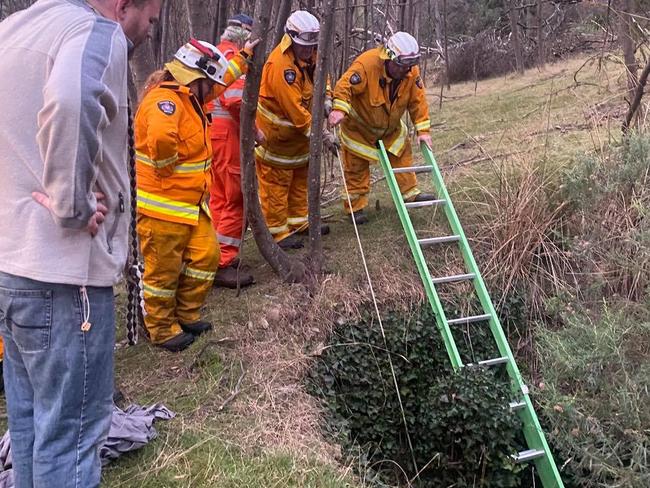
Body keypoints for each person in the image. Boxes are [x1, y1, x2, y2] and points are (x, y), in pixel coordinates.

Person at [0, 0, 162, 487]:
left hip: (12, 266)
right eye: (151, 14)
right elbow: (72, 100)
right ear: (123, 2)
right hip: (66, 280)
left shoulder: (17, 27)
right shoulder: (97, 32)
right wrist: (69, 204)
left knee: (31, 429)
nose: (152, 26)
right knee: (70, 441)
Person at [135, 37, 256, 352]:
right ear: (195, 76)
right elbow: (161, 137)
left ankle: (186, 315)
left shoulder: (190, 95)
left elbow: (220, 82)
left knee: (206, 256)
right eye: (209, 80)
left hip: (189, 204)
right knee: (162, 274)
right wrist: (165, 165)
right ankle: (161, 329)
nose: (213, 88)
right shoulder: (166, 100)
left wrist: (243, 57)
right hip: (163, 208)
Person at [328, 31, 435, 225]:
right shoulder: (367, 65)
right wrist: (339, 110)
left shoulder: (411, 72)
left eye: (409, 66)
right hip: (359, 131)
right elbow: (344, 86)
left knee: (401, 154)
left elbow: (418, 101)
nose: (406, 71)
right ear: (390, 58)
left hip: (389, 129)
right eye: (402, 66)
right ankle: (355, 208)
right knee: (356, 168)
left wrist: (423, 131)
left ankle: (410, 194)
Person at [255, 10, 333, 249]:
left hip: (299, 142)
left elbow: (322, 77)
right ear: (290, 39)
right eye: (303, 47)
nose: (308, 51)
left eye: (311, 46)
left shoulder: (313, 54)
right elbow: (295, 110)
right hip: (276, 141)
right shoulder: (280, 65)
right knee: (276, 187)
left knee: (300, 182)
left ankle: (299, 223)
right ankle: (277, 233)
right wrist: (322, 135)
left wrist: (327, 98)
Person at [209, 14, 263, 288]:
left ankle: (212, 258)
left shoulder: (216, 54)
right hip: (228, 139)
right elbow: (236, 101)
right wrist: (256, 132)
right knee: (234, 200)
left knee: (219, 200)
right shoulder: (232, 57)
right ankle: (223, 263)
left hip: (214, 138)